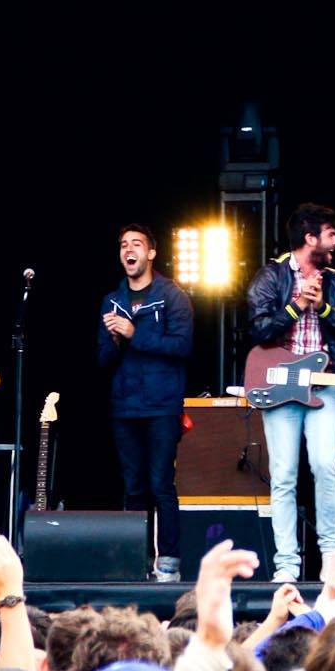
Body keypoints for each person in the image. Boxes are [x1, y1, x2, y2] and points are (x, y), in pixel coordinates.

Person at [244, 203, 335, 583]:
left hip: (325, 387)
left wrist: (324, 307)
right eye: (330, 234)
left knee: (326, 465)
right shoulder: (271, 276)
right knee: (283, 475)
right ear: (310, 239)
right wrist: (296, 307)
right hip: (280, 388)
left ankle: (331, 559)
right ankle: (287, 565)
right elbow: (258, 331)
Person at [97, 223, 194, 583]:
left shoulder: (172, 296)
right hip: (124, 406)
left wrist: (135, 333)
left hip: (162, 405)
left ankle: (168, 562)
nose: (128, 250)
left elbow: (181, 348)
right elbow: (103, 361)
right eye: (123, 245)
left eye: (136, 243)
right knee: (133, 485)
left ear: (151, 252)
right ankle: (135, 561)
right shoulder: (112, 299)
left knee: (160, 483)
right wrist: (115, 340)